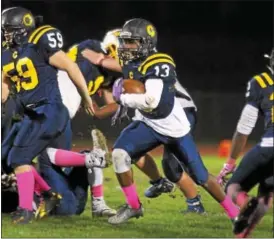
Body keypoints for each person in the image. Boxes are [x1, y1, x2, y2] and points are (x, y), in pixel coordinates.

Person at [83, 18, 240, 224]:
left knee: (201, 177)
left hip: (173, 126)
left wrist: (124, 97)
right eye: (125, 42)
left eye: (131, 42)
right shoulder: (131, 63)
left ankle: (235, 213)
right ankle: (133, 206)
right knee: (120, 154)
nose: (125, 47)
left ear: (145, 43)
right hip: (149, 124)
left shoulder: (160, 63)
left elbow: (151, 101)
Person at [1, 6, 94, 224]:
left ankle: (26, 210)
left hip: (49, 109)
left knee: (21, 159)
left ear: (24, 29)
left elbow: (70, 66)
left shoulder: (39, 44)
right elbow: (4, 89)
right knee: (11, 157)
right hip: (31, 114)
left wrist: (86, 96)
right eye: (4, 30)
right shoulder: (6, 54)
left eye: (10, 29)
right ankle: (49, 194)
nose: (5, 34)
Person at [218, 49, 274, 238]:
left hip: (269, 145)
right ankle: (243, 234)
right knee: (266, 197)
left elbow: (244, 128)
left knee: (234, 188)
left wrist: (230, 163)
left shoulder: (261, 82)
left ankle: (244, 202)